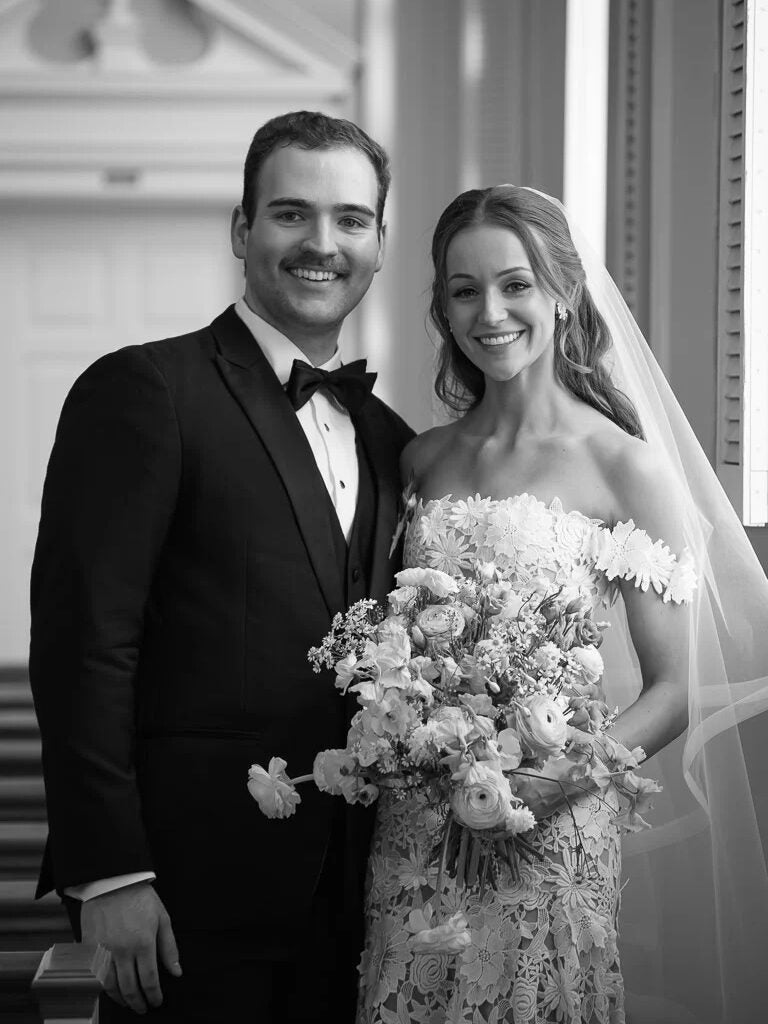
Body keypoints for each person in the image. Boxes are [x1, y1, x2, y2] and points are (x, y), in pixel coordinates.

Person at [29, 110, 413, 1023]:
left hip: (369, 898)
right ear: (242, 232)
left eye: (351, 220)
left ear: (379, 243)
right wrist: (109, 874)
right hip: (188, 896)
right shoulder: (146, 390)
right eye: (290, 214)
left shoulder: (394, 440)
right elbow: (86, 643)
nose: (322, 244)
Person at [357, 186, 768, 1023]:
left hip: (549, 823)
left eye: (516, 285)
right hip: (416, 828)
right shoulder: (421, 460)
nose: (491, 312)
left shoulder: (625, 468)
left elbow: (670, 690)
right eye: (465, 290)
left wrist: (544, 785)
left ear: (564, 292)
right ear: (443, 307)